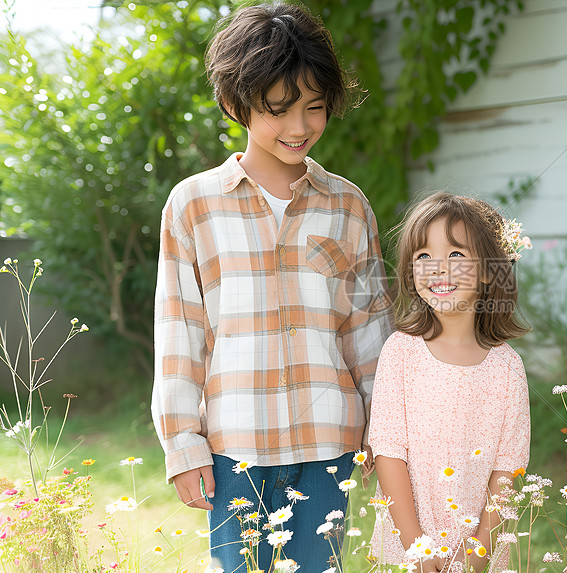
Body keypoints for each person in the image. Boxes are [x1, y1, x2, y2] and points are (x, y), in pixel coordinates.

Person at [151, 3, 392, 572]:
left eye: (314, 108)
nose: (300, 127)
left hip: (330, 444)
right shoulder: (193, 205)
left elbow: (371, 330)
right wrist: (183, 444)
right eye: (280, 110)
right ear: (238, 105)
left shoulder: (348, 205)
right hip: (236, 446)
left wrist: (388, 433)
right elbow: (179, 335)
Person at [367, 192, 532, 572]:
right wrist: (419, 550)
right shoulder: (401, 352)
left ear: (490, 270)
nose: (438, 269)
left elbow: (508, 470)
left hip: (476, 551)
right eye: (423, 256)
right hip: (410, 546)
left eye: (456, 255)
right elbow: (388, 453)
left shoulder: (507, 368)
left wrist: (475, 553)